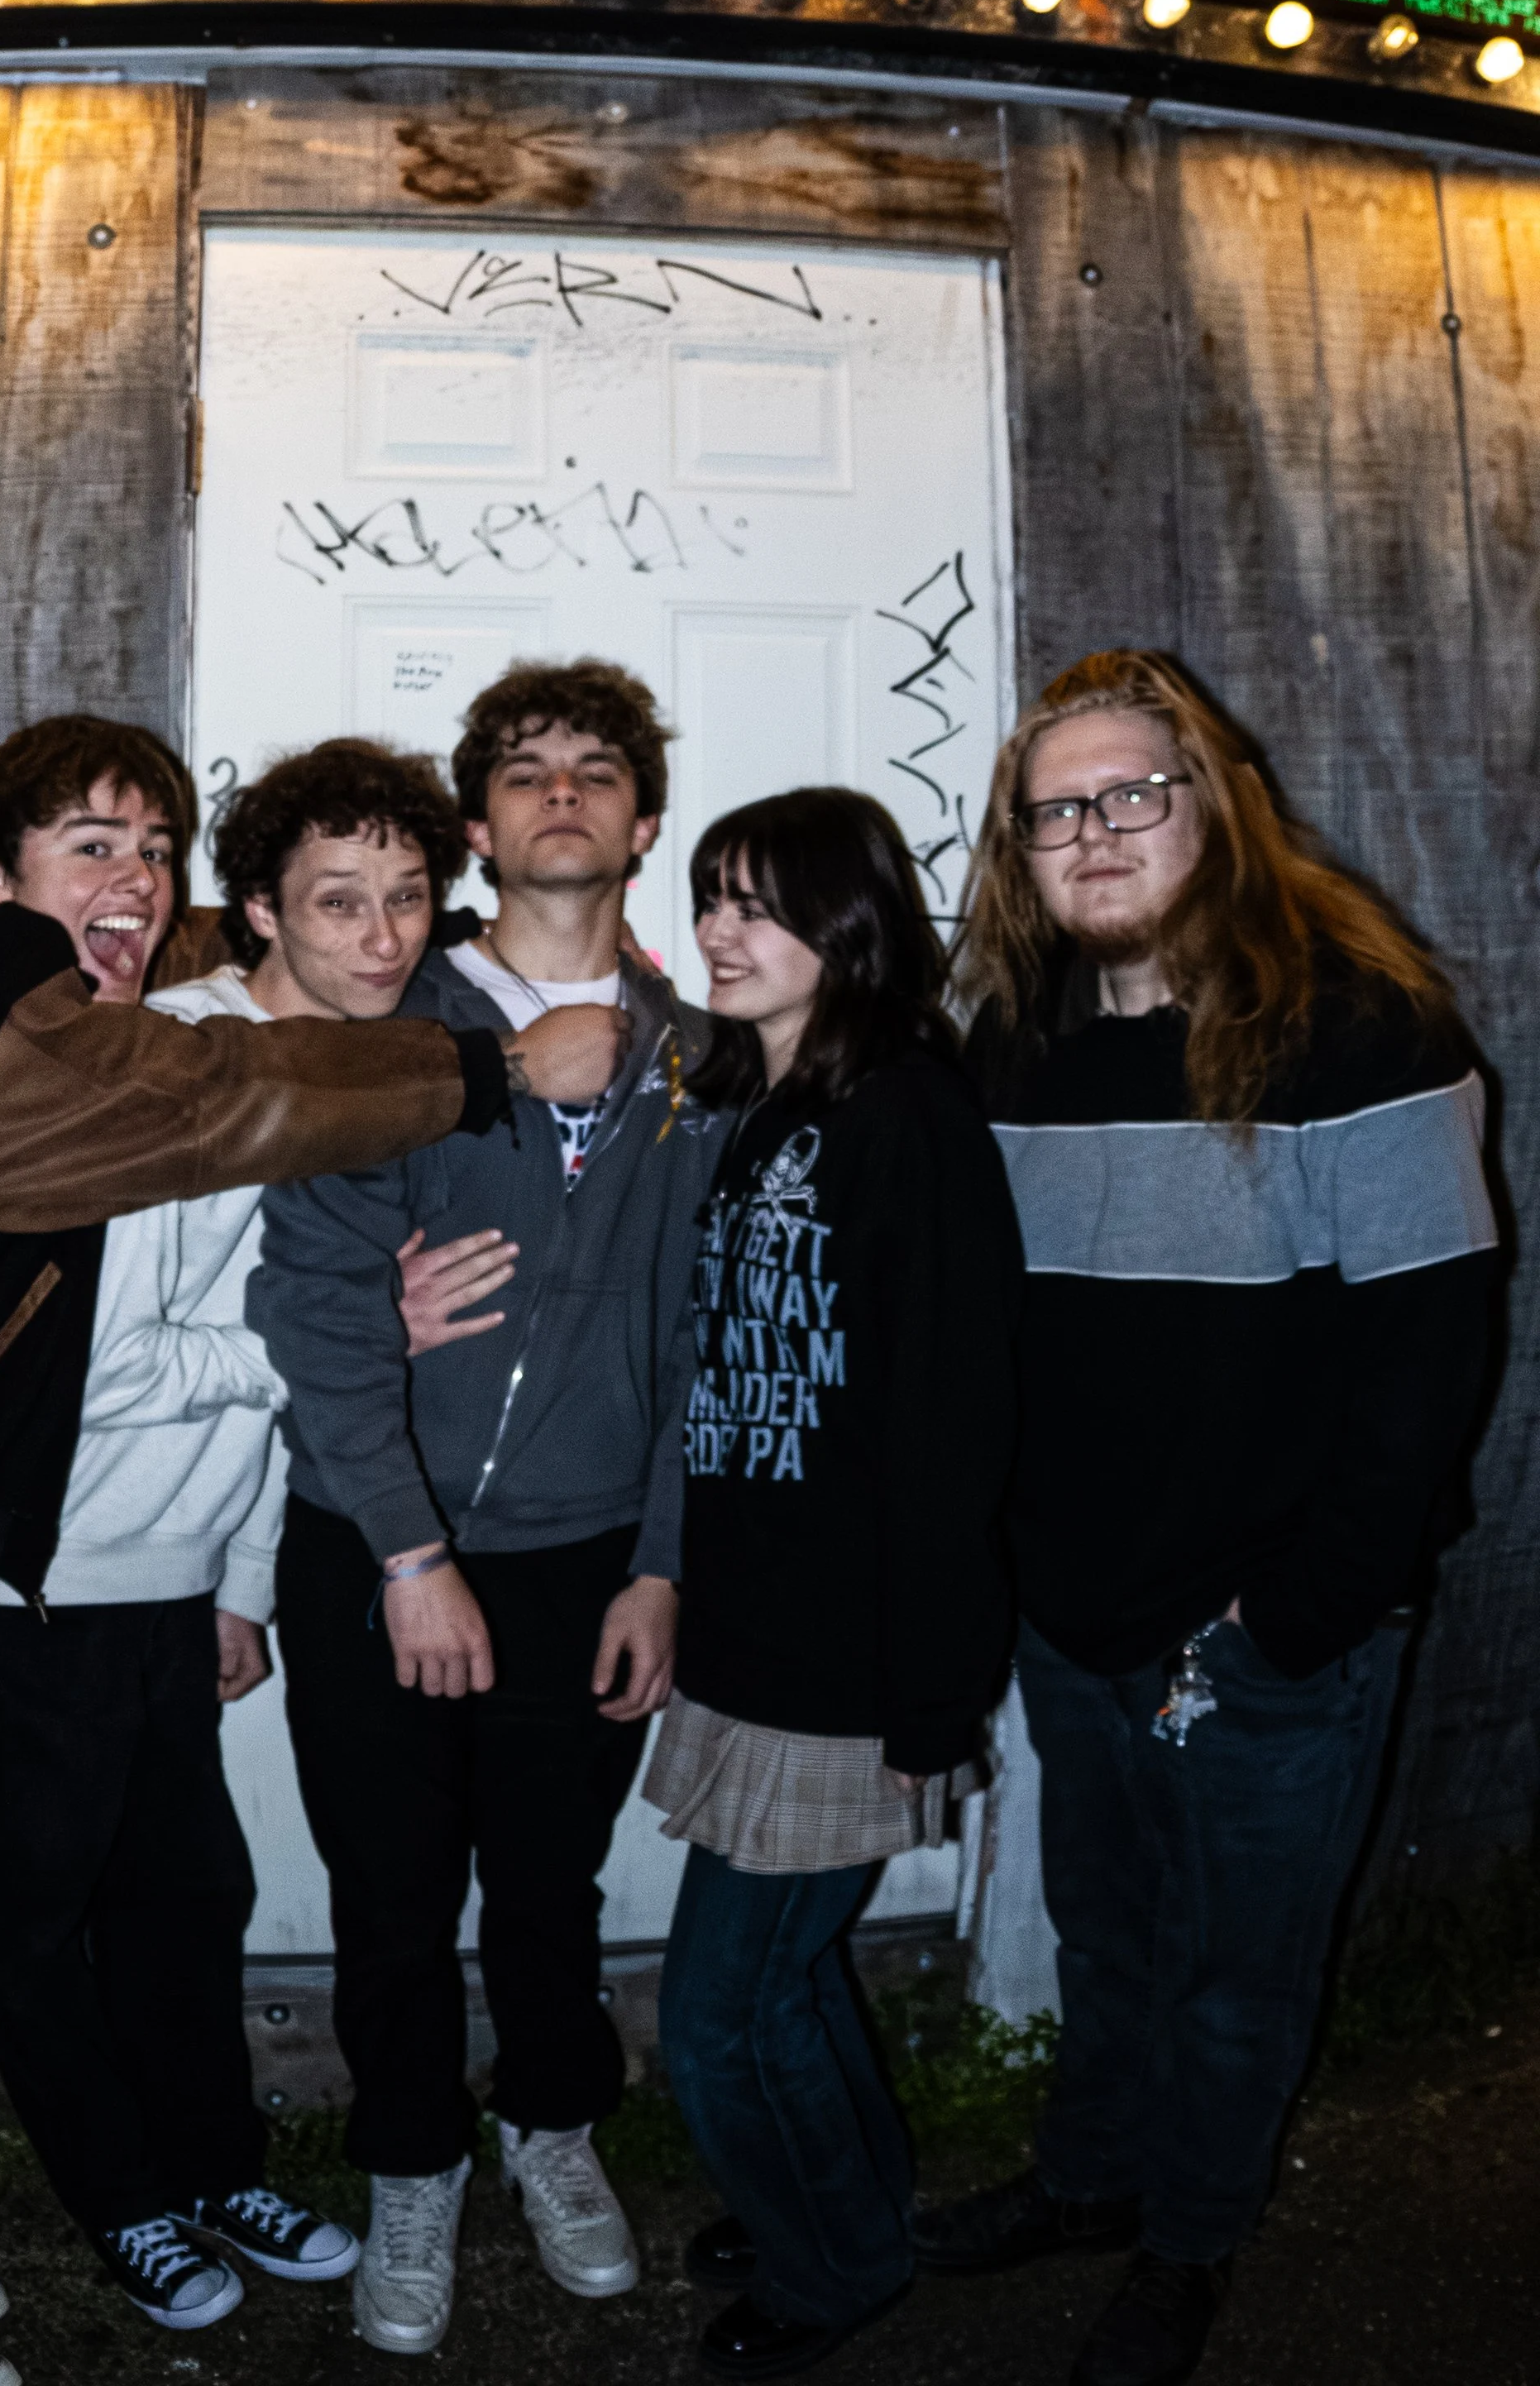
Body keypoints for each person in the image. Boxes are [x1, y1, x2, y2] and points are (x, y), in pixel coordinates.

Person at [0, 713, 620, 2386]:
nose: (136, 884)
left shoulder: (31, 980)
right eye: (94, 846)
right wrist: (495, 1069)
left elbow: (227, 972)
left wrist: (296, 915)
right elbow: (216, 1099)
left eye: (157, 854)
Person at [916, 652, 1499, 2386]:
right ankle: (1094, 2183)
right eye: (1052, 813)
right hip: (1072, 1618)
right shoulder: (1006, 1047)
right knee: (1105, 1936)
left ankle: (1189, 2245)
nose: (1091, 835)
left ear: (1214, 806)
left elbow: (1428, 1363)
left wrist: (1295, 1619)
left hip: (1268, 1641)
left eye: (1130, 797)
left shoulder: (1362, 1028)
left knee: (1240, 1980)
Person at [0, 739, 476, 2339]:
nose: (385, 938)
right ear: (264, 912)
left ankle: (212, 2162)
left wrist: (240, 1586)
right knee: (38, 1924)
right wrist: (348, 1331)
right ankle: (126, 2202)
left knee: (189, 1902)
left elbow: (256, 1402)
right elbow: (105, 1373)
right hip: (38, 1581)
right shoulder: (168, 1058)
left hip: (172, 1580)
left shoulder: (355, 1076)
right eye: (341, 900)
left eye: (407, 900)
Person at [249, 659, 725, 2358]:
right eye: (526, 772)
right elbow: (311, 1305)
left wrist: (664, 1565)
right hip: (379, 1555)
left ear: (644, 823)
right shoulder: (386, 1037)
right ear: (479, 825)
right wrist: (408, 1548)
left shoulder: (699, 1055)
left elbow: (705, 1335)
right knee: (386, 1890)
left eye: (600, 772)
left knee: (550, 1883)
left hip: (591, 1559)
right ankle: (409, 2161)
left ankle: (550, 2122)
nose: (564, 794)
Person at [643, 787, 1021, 2382]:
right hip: (757, 1627)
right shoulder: (769, 1104)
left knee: (720, 2009)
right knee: (781, 1977)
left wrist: (932, 1689)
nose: (722, 932)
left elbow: (952, 1424)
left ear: (850, 927)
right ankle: (837, 2197)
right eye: (712, 898)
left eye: (760, 904)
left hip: (851, 1659)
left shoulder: (904, 1120)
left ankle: (839, 2263)